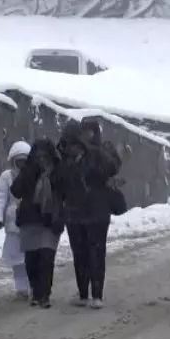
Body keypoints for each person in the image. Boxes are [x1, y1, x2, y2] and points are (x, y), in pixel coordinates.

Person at [53, 121, 118, 308]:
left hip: (97, 214)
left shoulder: (96, 156)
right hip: (74, 215)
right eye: (65, 144)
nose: (69, 148)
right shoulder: (64, 163)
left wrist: (93, 155)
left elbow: (111, 168)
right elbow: (58, 185)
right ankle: (83, 294)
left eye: (72, 144)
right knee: (79, 254)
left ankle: (97, 294)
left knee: (96, 253)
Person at [11, 139, 64, 309]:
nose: (42, 159)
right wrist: (30, 172)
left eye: (45, 155)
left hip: (50, 220)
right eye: (38, 155)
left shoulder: (58, 171)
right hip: (30, 220)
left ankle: (45, 294)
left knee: (47, 258)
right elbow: (16, 190)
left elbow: (65, 190)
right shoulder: (28, 170)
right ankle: (36, 290)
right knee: (32, 259)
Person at [0, 141, 32, 300]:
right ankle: (21, 287)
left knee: (32, 257)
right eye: (18, 161)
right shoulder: (6, 177)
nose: (21, 165)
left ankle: (33, 285)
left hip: (31, 223)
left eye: (25, 161)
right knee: (16, 260)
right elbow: (0, 198)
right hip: (13, 223)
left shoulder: (34, 175)